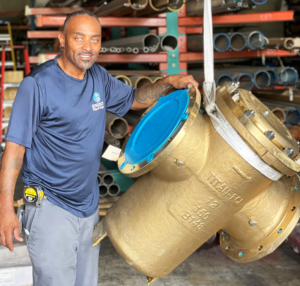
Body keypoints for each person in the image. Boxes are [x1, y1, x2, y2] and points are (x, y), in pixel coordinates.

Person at [0, 10, 199, 286]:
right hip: (49, 206)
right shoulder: (37, 85)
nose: (87, 47)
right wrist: (4, 209)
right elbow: (14, 150)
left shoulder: (98, 77)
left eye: (94, 40)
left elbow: (132, 99)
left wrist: (168, 84)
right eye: (79, 38)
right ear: (62, 39)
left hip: (88, 205)